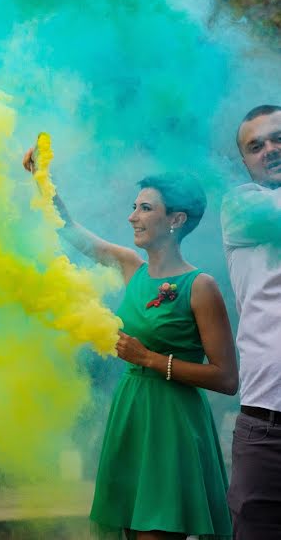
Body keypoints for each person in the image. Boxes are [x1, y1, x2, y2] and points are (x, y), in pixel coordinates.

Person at [23, 146, 237, 540]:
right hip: (131, 411)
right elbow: (71, 232)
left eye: (145, 209)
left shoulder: (200, 286)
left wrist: (151, 359)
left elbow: (226, 378)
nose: (132, 217)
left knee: (156, 531)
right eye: (134, 206)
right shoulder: (129, 266)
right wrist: (42, 182)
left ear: (176, 219)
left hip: (172, 422)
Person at [223, 104, 281, 539]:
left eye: (278, 138)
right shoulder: (242, 205)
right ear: (244, 161)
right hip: (267, 430)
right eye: (255, 146)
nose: (269, 150)